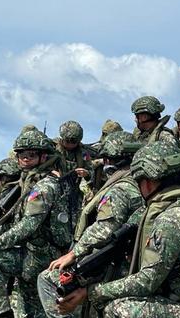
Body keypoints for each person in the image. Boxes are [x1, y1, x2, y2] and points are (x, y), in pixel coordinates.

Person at [54, 141, 180, 317]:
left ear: (148, 182)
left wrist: (91, 292)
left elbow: (147, 281)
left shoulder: (174, 218)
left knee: (119, 308)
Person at [38, 131, 144, 317]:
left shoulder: (120, 189)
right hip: (129, 257)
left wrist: (74, 253)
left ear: (112, 159)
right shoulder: (139, 182)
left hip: (115, 261)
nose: (103, 163)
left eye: (105, 158)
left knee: (47, 278)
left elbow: (105, 228)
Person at [0, 130, 69, 317]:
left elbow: (28, 225)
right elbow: (10, 218)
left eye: (31, 155)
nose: (25, 159)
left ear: (43, 156)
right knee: (30, 306)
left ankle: (2, 314)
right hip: (32, 250)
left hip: (42, 254)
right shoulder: (27, 181)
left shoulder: (43, 186)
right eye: (21, 155)